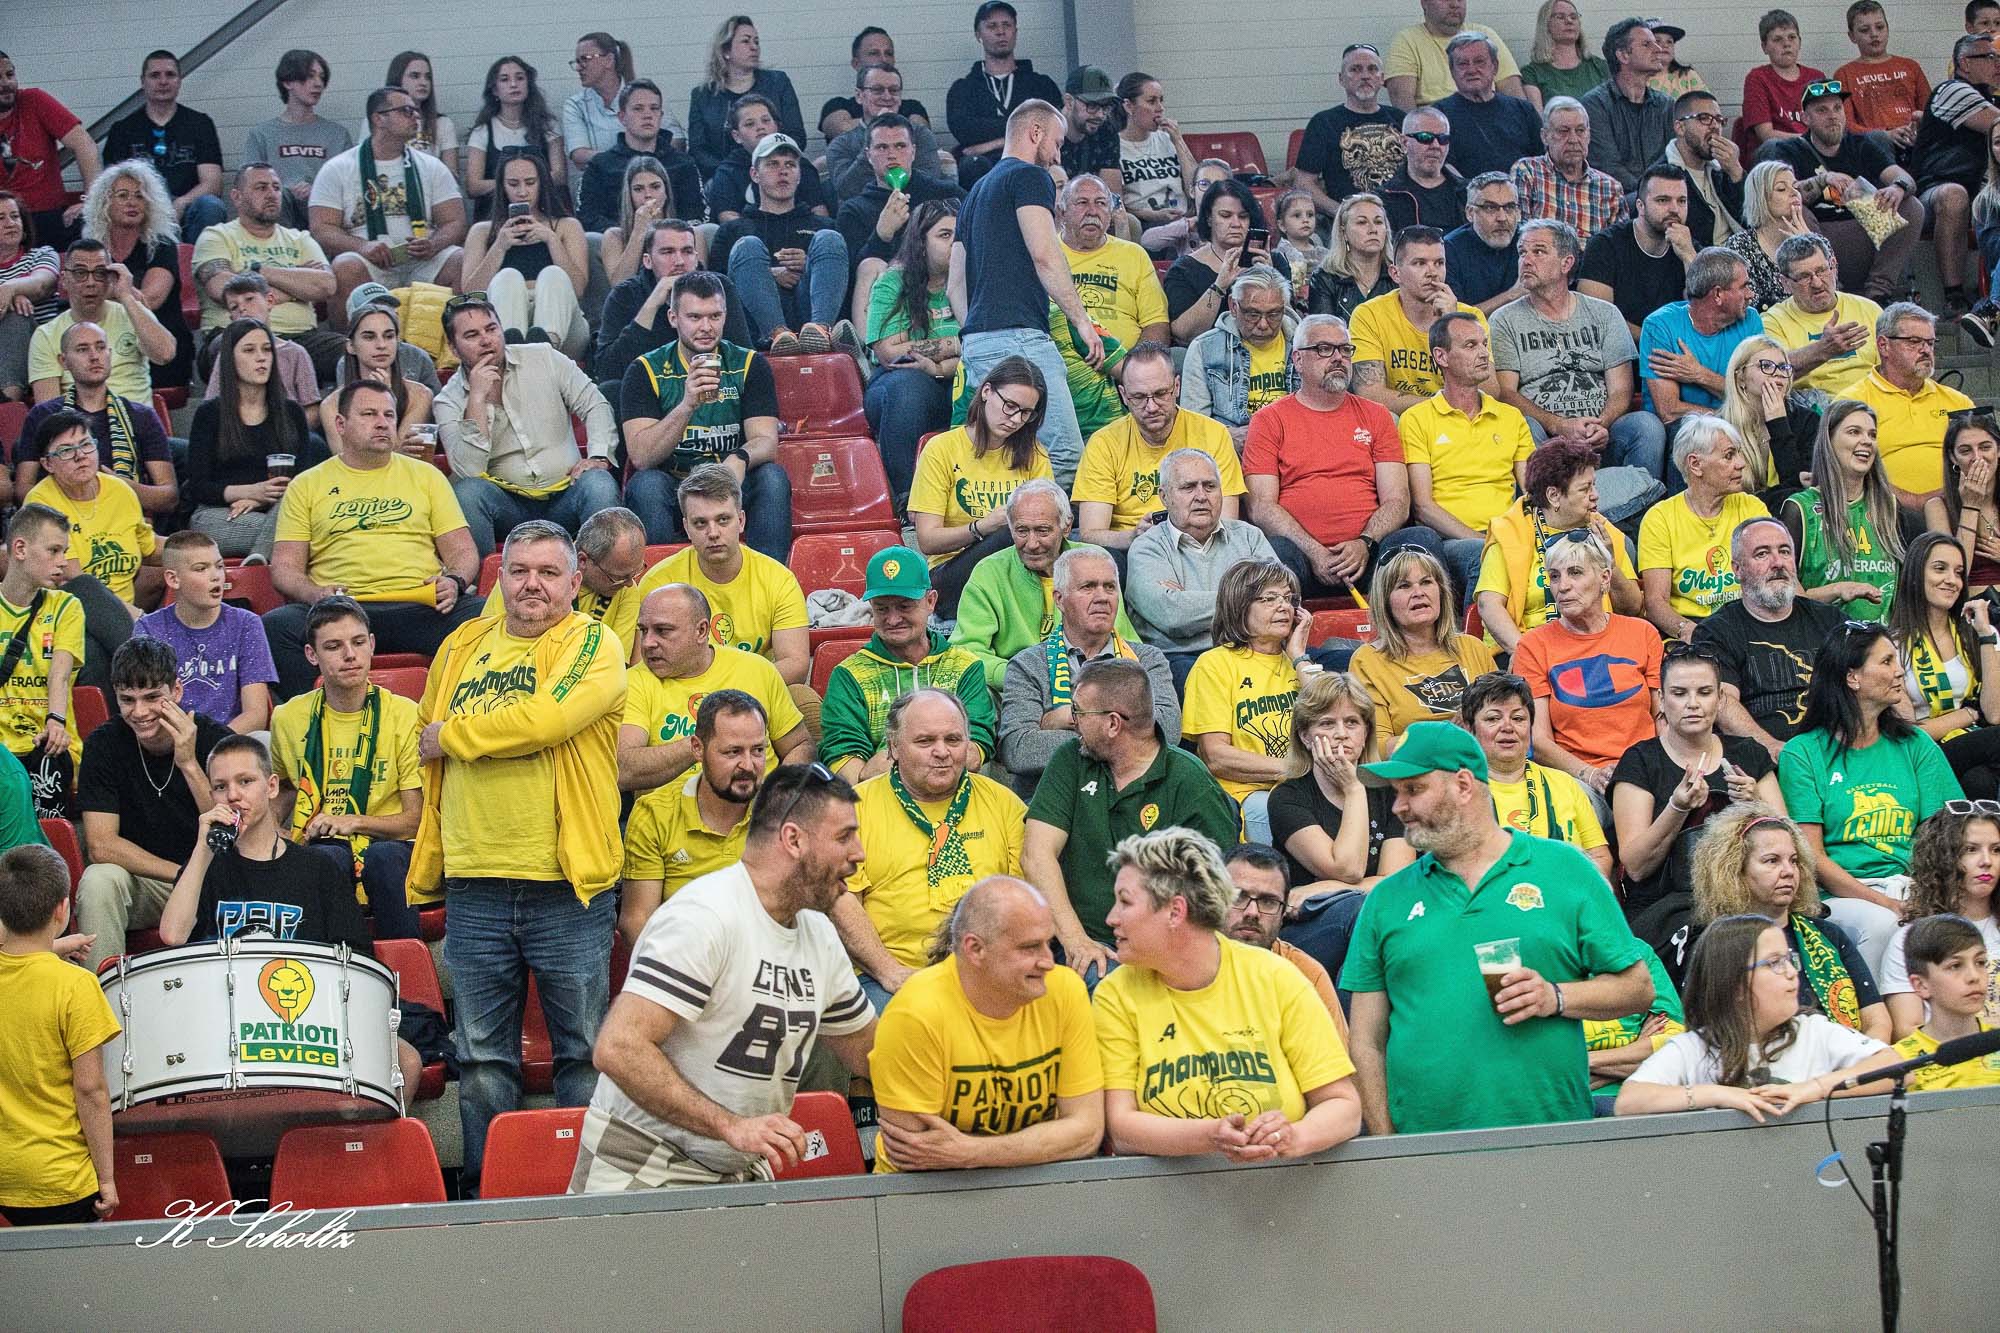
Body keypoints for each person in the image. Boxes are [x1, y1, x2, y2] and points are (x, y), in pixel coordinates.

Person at [406, 521, 624, 1188]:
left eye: (548, 572)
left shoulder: (594, 642)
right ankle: (487, 1192)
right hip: (474, 882)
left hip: (566, 885)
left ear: (575, 581)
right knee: (480, 1060)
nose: (532, 584)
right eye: (519, 570)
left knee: (582, 1054)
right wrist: (449, 734)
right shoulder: (462, 644)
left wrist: (457, 735)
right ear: (498, 579)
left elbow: (544, 721)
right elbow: (421, 731)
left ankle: (589, 1193)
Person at [572, 763, 876, 1192]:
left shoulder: (819, 934)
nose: (859, 853)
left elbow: (873, 1054)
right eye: (844, 837)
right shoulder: (705, 916)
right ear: (793, 840)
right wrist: (731, 1125)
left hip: (737, 1171)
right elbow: (619, 1048)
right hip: (640, 1165)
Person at [1343, 720, 1656, 1133]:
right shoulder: (1385, 900)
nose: (1399, 806)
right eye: (1396, 792)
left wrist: (1554, 997)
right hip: (1424, 1150)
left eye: (1413, 789)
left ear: (1463, 785)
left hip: (1551, 1138)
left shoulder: (1565, 868)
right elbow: (1365, 1043)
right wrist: (1387, 1147)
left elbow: (1638, 989)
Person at [1094, 828, 1363, 1158]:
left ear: (1175, 911)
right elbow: (1120, 1128)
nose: (1111, 919)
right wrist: (1211, 1136)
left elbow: (1343, 1106)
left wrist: (1292, 1137)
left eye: (1124, 901)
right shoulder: (1115, 994)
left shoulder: (1277, 977)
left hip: (1280, 1179)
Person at [868, 875, 1105, 1172]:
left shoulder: (1065, 990)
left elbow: (1087, 1134)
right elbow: (916, 1158)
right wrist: (1040, 1144)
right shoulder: (915, 1013)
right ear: (975, 949)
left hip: (1035, 1182)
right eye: (1030, 948)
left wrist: (970, 1152)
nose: (1047, 961)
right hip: (925, 1192)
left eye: (1049, 944)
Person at [262, 380, 482, 698]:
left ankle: (458, 715)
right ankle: (314, 713)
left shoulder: (427, 475)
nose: (382, 423)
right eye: (369, 414)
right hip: (341, 610)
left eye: (389, 415)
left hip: (420, 606)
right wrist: (315, 593)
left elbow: (463, 551)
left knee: (486, 618)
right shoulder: (307, 484)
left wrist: (455, 580)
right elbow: (284, 568)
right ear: (340, 424)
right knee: (275, 628)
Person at [1023, 657, 1239, 979]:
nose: (1073, 722)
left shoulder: (1190, 782)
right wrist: (1076, 941)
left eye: (1079, 712)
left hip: (1161, 950)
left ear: (1113, 724)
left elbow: (1214, 889)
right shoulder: (1071, 760)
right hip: (1082, 943)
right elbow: (1036, 855)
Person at [1780, 622, 1964, 978]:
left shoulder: (1915, 745)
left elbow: (1946, 837)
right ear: (1853, 678)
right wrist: (1886, 903)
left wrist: (1926, 896)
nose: (1900, 672)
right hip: (1842, 896)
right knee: (1882, 924)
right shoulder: (1802, 753)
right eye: (1887, 661)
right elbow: (1813, 857)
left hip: (1913, 885)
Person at [831, 689, 1025, 1007]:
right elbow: (842, 901)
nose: (942, 752)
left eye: (953, 740)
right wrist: (890, 972)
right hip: (888, 977)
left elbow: (1024, 901)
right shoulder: (853, 810)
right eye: (925, 741)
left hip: (991, 971)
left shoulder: (1004, 804)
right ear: (894, 747)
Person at [949, 101, 1103, 485]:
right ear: (1035, 133)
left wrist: (977, 332)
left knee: (1015, 466)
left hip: (978, 343)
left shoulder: (974, 193)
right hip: (1020, 338)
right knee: (1064, 458)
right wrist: (1081, 321)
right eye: (1057, 142)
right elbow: (1045, 254)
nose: (1058, 155)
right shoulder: (1031, 177)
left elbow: (955, 284)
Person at [1617, 912, 1897, 1117]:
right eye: (1775, 963)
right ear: (1734, 983)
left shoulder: (1815, 1031)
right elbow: (1629, 1101)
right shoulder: (1694, 1047)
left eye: (1790, 960)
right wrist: (1718, 1094)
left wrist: (1815, 1088)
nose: (1792, 972)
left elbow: (1895, 1068)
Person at [1246, 313, 1442, 600]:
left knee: (1421, 539)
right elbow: (1261, 507)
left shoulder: (1377, 416)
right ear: (1297, 359)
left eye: (1345, 349)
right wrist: (1314, 551)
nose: (1338, 358)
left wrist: (1364, 543)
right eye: (1324, 349)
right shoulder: (1269, 420)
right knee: (1274, 553)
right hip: (1301, 557)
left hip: (1370, 555)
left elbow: (1398, 501)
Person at [263, 596, 421, 940]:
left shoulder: (406, 714)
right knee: (327, 857)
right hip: (324, 845)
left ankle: (404, 966)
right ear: (311, 655)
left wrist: (353, 822)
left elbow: (415, 820)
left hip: (391, 846)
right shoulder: (288, 718)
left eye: (358, 642)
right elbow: (286, 787)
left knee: (382, 858)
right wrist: (271, 829)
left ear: (372, 645)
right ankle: (342, 964)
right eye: (334, 646)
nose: (350, 655)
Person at [75, 638, 233, 972]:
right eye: (127, 700)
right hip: (151, 881)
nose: (140, 712)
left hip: (213, 879)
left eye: (152, 698)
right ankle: (101, 998)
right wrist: (179, 874)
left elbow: (228, 830)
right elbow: (101, 845)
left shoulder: (216, 740)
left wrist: (188, 763)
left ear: (176, 691)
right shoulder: (103, 744)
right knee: (99, 880)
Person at [621, 272, 790, 559]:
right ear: (673, 318)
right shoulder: (644, 370)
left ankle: (770, 574)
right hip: (675, 481)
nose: (706, 327)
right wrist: (687, 405)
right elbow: (641, 456)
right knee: (645, 485)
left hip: (731, 477)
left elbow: (766, 441)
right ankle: (664, 577)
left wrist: (740, 458)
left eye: (715, 316)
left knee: (772, 477)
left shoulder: (750, 364)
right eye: (695, 317)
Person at [433, 299, 617, 559]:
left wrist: (598, 455)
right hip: (507, 507)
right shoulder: (448, 400)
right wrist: (476, 399)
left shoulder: (544, 357)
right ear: (453, 348)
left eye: (491, 329)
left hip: (567, 492)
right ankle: (482, 581)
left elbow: (595, 403)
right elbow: (470, 471)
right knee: (468, 493)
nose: (486, 340)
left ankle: (602, 576)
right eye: (472, 335)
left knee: (599, 483)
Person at [1613, 644, 1785, 914]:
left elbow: (1789, 842)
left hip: (1749, 898)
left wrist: (1757, 805)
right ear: (1661, 699)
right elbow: (1636, 867)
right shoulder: (1641, 760)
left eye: (1704, 692)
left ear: (1720, 698)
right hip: (1670, 906)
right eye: (1679, 693)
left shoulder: (1749, 753)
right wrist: (1677, 808)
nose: (1692, 704)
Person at [0, 844, 120, 1227]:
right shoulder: (76, 986)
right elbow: (91, 1090)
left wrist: (51, 948)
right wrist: (106, 1179)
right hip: (60, 1180)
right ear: (62, 910)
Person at [1685, 802, 1888, 1028]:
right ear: (1734, 870)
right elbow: (1714, 1032)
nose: (1789, 871)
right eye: (1772, 861)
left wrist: (1864, 1052)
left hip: (1847, 1048)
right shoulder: (1717, 944)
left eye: (1794, 861)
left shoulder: (1829, 935)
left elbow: (1877, 1021)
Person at [1492, 219, 1664, 485]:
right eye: (1522, 252)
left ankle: (1640, 504)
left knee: (1647, 426)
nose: (1526, 260)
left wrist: (1601, 424)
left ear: (1566, 263)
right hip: (1546, 435)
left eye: (1538, 251)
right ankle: (1545, 507)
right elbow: (1505, 393)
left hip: (1601, 432)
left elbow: (1621, 389)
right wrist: (1558, 425)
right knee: (1523, 425)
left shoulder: (1605, 314)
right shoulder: (1504, 320)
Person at [999, 547, 1178, 791]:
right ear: (1059, 599)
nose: (1102, 597)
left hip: (1138, 794)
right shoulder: (1028, 664)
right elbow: (1020, 750)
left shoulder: (1147, 659)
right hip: (1057, 796)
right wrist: (1127, 730)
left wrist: (1070, 718)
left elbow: (1168, 730)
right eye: (1088, 587)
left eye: (1110, 587)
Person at [822, 546, 995, 783]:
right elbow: (847, 763)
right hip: (878, 799)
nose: (893, 619)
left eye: (905, 606)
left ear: (931, 601)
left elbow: (974, 751)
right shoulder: (849, 674)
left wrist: (895, 759)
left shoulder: (965, 666)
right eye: (882, 608)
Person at [616, 583, 809, 796]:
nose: (647, 643)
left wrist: (778, 795)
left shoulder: (757, 669)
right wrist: (706, 741)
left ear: (701, 631)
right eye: (644, 631)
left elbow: (799, 745)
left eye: (663, 631)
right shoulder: (632, 682)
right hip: (670, 814)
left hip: (757, 807)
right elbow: (623, 770)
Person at [1516, 528, 1664, 799]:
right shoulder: (1533, 645)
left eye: (1575, 573)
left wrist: (1659, 769)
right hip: (1577, 779)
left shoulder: (1643, 633)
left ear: (1604, 578)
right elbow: (1539, 741)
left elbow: (1662, 719)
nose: (1563, 586)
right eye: (1554, 576)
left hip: (1647, 770)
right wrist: (1590, 774)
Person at [947, 479, 1139, 686]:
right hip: (1013, 685)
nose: (1032, 544)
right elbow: (965, 653)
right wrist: (1023, 675)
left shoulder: (1095, 563)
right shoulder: (989, 572)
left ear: (1066, 526)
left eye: (1042, 531)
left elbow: (1125, 644)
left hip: (1089, 681)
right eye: (1022, 531)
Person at [619, 690, 772, 948]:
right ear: (697, 748)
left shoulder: (786, 813)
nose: (748, 765)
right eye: (733, 752)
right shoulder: (656, 814)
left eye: (757, 750)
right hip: (681, 962)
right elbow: (637, 920)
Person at [633, 466, 808, 686]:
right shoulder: (659, 582)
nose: (713, 533)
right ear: (686, 528)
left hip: (753, 693)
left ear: (741, 521)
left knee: (802, 696)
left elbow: (795, 664)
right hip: (680, 695)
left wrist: (728, 690)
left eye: (723, 520)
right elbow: (644, 667)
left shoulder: (779, 579)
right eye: (700, 523)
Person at [1400, 311, 1535, 595]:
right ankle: (1477, 628)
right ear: (1442, 356)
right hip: (1451, 542)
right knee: (1484, 558)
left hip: (1510, 536)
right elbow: (1423, 507)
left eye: (1484, 344)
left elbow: (1533, 491)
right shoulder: (1416, 419)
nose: (1484, 353)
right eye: (1471, 345)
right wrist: (1486, 542)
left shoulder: (1511, 417)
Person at [909, 357, 1056, 614]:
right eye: (1010, 406)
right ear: (987, 391)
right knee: (1011, 534)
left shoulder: (1035, 454)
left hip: (1020, 564)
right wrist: (982, 527)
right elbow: (928, 540)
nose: (1015, 419)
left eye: (1026, 413)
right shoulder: (942, 449)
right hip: (953, 573)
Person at [1692, 516, 1847, 758]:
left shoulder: (1830, 620)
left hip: (1837, 751)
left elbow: (1869, 679)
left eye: (1784, 552)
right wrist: (1774, 748)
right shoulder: (1716, 631)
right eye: (1762, 554)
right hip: (1761, 760)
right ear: (1737, 570)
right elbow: (1723, 703)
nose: (1777, 563)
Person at [310, 85, 466, 324]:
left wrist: (434, 244)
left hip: (423, 261)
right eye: (406, 111)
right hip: (368, 262)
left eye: (416, 111)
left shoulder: (431, 166)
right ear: (378, 118)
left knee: (461, 259)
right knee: (345, 265)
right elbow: (321, 228)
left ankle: (456, 341)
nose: (416, 116)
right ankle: (344, 343)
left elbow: (455, 221)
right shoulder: (338, 168)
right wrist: (362, 247)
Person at [1758, 82, 1925, 304]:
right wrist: (1823, 179)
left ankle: (1878, 294)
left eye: (1837, 108)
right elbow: (1780, 196)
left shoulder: (1860, 144)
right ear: (1805, 118)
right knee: (1794, 208)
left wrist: (1897, 187)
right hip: (1819, 238)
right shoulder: (1790, 149)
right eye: (1822, 110)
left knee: (1912, 206)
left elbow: (1904, 178)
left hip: (1865, 234)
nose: (1832, 116)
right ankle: (1831, 290)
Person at [1184, 559, 1314, 842]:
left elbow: (1331, 716)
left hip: (1305, 790)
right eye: (1269, 598)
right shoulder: (1215, 664)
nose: (1283, 606)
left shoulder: (1299, 664)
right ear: (1239, 606)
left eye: (1288, 598)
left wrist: (1299, 656)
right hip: (1247, 797)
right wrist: (1294, 769)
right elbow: (1216, 756)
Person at [1473, 439, 1642, 654]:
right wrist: (1527, 655)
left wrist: (1610, 562)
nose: (1595, 495)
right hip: (1526, 648)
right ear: (1553, 496)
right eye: (1585, 489)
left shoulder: (1603, 531)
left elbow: (1632, 608)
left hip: (1595, 648)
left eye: (1594, 485)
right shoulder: (1510, 533)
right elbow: (1489, 606)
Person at [1074, 342, 1243, 555]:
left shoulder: (1213, 434)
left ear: (1177, 387)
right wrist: (1134, 536)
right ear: (1124, 395)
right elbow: (1090, 534)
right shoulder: (1103, 443)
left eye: (1161, 393)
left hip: (1201, 546)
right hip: (1131, 550)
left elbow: (1227, 522)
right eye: (1139, 397)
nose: (1151, 407)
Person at [1267, 670, 1417, 901]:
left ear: (1366, 733)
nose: (1341, 734)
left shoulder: (1392, 792)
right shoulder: (1287, 798)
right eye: (1327, 723)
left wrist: (1328, 887)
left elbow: (1398, 883)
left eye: (1351, 722)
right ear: (1305, 736)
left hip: (1382, 909)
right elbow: (1348, 869)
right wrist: (1354, 789)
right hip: (1317, 914)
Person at [1124, 450, 1277, 673]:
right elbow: (1173, 615)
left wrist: (1188, 599)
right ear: (1164, 497)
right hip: (1181, 659)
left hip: (1249, 650)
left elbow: (1280, 600)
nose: (1201, 496)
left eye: (1210, 486)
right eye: (1188, 487)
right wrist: (1251, 599)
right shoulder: (1147, 547)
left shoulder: (1249, 536)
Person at [709, 134, 853, 355]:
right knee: (747, 246)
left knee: (829, 239)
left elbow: (848, 284)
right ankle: (778, 335)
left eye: (790, 165)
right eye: (773, 164)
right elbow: (716, 291)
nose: (783, 171)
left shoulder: (825, 225)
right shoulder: (732, 230)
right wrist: (766, 276)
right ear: (754, 174)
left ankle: (821, 331)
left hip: (810, 314)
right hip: (755, 331)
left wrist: (811, 265)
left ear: (799, 175)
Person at [17, 322, 176, 519]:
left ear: (109, 354)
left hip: (125, 519)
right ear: (63, 361)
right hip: (63, 523)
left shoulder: (141, 416)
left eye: (100, 347)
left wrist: (116, 487)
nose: (94, 356)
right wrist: (72, 497)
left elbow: (168, 497)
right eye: (82, 349)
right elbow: (23, 490)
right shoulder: (42, 415)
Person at [182, 320, 309, 562]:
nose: (261, 358)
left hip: (280, 511)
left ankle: (257, 561)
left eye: (267, 349)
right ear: (230, 359)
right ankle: (266, 558)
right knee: (299, 535)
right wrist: (251, 491)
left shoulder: (292, 413)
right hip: (219, 514)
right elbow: (198, 486)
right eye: (249, 350)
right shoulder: (210, 414)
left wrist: (257, 500)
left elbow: (303, 482)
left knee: (296, 508)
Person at [1883, 532, 2000, 796]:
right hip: (1925, 753)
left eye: (1958, 573)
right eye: (1940, 569)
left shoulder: (1979, 632)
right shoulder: (1891, 645)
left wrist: (1985, 635)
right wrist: (1969, 714)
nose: (1952, 580)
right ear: (1915, 574)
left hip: (1975, 750)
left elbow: (1994, 713)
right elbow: (1910, 734)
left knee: (1978, 781)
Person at [189, 163, 337, 370]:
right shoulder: (216, 236)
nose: (271, 194)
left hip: (301, 338)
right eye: (261, 188)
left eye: (276, 188)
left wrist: (258, 271)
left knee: (351, 351)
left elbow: (326, 285)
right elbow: (224, 289)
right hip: (235, 333)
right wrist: (296, 289)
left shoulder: (300, 239)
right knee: (235, 351)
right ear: (237, 197)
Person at [1464, 670, 1611, 875]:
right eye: (1493, 718)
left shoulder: (1565, 784)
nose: (1508, 727)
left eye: (1518, 718)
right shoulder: (1458, 793)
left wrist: (1569, 890)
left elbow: (1600, 857)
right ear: (1469, 729)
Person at [863, 200, 962, 504]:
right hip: (895, 384)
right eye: (944, 235)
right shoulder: (893, 281)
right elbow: (890, 353)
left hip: (954, 377)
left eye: (959, 235)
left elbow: (983, 348)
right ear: (921, 243)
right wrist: (957, 344)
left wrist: (939, 367)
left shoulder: (973, 280)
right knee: (910, 386)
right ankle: (907, 498)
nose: (954, 243)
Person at [133, 532, 277, 736]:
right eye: (201, 569)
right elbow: (148, 707)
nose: (216, 576)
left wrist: (210, 746)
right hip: (170, 739)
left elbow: (256, 714)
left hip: (231, 740)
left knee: (263, 738)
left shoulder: (246, 623)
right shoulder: (149, 629)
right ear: (173, 579)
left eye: (219, 566)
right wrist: (185, 745)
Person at [22, 410, 159, 624]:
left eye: (86, 444)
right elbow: (75, 581)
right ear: (48, 464)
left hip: (125, 616)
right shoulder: (41, 503)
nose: (80, 455)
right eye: (66, 450)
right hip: (70, 618)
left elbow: (148, 547)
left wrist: (195, 553)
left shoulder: (119, 490)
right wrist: (139, 621)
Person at [1350, 545, 1498, 743]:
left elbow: (1501, 718)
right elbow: (1377, 746)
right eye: (1404, 586)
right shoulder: (1367, 662)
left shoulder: (1473, 648)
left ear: (1441, 592)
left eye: (1426, 582)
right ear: (1385, 601)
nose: (1418, 592)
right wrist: (1445, 736)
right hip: (1413, 763)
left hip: (1480, 759)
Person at [1638, 417, 1769, 638]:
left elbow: (1774, 574)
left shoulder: (1752, 508)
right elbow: (1656, 603)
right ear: (1696, 465)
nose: (1741, 463)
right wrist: (1694, 633)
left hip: (1749, 622)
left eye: (1738, 453)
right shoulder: (1660, 518)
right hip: (1692, 627)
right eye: (1729, 455)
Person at [1781, 400, 1904, 621]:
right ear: (1828, 440)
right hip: (1822, 638)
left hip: (1882, 638)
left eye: (1872, 435)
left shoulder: (1890, 508)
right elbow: (1784, 595)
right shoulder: (1800, 509)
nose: (1867, 441)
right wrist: (1838, 590)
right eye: (1854, 432)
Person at [459, 151, 590, 358]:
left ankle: (545, 346)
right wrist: (499, 247)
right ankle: (512, 346)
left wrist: (551, 239)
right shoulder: (482, 231)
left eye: (530, 183)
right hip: (504, 325)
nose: (522, 192)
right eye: (513, 184)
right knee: (507, 276)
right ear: (502, 186)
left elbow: (578, 289)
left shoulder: (567, 226)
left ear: (542, 183)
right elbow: (471, 295)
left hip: (564, 326)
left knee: (553, 274)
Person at [78, 159, 193, 391]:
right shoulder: (90, 247)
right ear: (105, 202)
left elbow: (151, 299)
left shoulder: (162, 244)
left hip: (158, 346)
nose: (132, 202)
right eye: (123, 195)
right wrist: (119, 291)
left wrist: (105, 292)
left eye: (140, 196)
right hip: (106, 343)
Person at [839, 116, 963, 328]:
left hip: (943, 289)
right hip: (890, 303)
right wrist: (881, 235)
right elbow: (851, 278)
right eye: (882, 147)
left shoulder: (946, 194)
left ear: (913, 152)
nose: (892, 154)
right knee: (870, 265)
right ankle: (870, 344)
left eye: (900, 146)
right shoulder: (854, 210)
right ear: (868, 155)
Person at [1882, 812, 2000, 1034]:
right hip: (1952, 1053)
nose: (1987, 861)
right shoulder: (1912, 938)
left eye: (1996, 850)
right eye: (1970, 849)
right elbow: (1907, 1029)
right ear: (1942, 858)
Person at [0, 504, 86, 810]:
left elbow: (59, 675)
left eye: (65, 552)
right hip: (3, 751)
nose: (63, 562)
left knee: (47, 770)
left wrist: (56, 721)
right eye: (54, 550)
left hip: (49, 745)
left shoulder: (66, 606)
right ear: (20, 549)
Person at [1838, 304, 1972, 497]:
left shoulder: (1958, 402)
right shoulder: (1852, 401)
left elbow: (1981, 459)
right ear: (1883, 346)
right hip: (1880, 505)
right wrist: (1913, 501)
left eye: (1930, 343)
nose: (1926, 350)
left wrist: (1941, 500)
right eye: (1914, 342)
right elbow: (1843, 469)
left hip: (1953, 503)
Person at [1350, 225, 1484, 415]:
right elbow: (1370, 394)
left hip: (1459, 419)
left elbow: (1490, 390)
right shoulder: (1369, 315)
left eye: (1439, 263)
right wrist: (1441, 407)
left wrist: (1452, 323)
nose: (1432, 272)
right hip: (1403, 418)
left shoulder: (1470, 317)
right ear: (1395, 273)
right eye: (1420, 263)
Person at [597, 218, 748, 382]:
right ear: (648, 261)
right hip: (650, 388)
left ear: (696, 258)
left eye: (687, 251)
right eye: (668, 252)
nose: (679, 262)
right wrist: (652, 305)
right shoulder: (624, 295)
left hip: (711, 385)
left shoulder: (720, 287)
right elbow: (607, 370)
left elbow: (743, 356)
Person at [1911, 33, 1998, 318]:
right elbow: (1997, 124)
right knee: (1954, 196)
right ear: (1964, 63)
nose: (1996, 63)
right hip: (1931, 193)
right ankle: (1954, 296)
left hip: (1977, 193)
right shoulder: (1953, 90)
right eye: (1989, 57)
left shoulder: (1988, 96)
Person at [26, 240, 176, 404]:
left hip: (135, 417)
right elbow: (48, 409)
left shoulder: (132, 313)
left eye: (100, 273)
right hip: (78, 419)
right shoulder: (46, 335)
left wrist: (126, 296)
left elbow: (165, 354)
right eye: (80, 273)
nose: (90, 282)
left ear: (110, 278)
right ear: (64, 280)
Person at [486, 506, 648, 655]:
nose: (629, 583)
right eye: (618, 577)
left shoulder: (625, 590)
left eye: (635, 573)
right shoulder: (521, 582)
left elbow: (616, 660)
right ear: (582, 560)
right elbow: (490, 648)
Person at [102, 50, 226, 242]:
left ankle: (203, 260)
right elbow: (112, 186)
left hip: (188, 209)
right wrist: (155, 209)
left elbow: (213, 183)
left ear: (179, 81)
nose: (163, 81)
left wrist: (181, 203)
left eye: (170, 75)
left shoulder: (200, 124)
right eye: (155, 75)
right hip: (143, 210)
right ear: (143, 82)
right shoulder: (122, 130)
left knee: (211, 206)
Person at [1638, 249, 1764, 430]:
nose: (1750, 294)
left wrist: (1699, 374)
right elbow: (1669, 411)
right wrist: (1731, 418)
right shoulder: (1660, 326)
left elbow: (1757, 395)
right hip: (1683, 430)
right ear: (1718, 294)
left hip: (1742, 427)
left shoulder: (1751, 320)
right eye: (1744, 286)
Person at [944, 1, 1065, 187]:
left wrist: (990, 144)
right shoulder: (963, 89)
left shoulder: (1041, 85)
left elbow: (1052, 128)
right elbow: (965, 130)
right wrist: (1025, 128)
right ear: (978, 34)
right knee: (972, 165)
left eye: (1006, 25)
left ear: (1015, 31)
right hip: (981, 168)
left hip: (1032, 161)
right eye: (992, 26)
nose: (1000, 31)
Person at [1178, 267, 1298, 451]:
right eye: (1253, 314)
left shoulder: (1304, 344)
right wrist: (1227, 437)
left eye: (1273, 314)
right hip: (1233, 453)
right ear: (1233, 306)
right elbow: (1193, 424)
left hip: (1295, 447)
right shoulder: (1204, 348)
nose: (1263, 324)